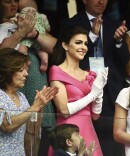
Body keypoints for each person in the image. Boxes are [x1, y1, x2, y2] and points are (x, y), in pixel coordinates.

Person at [61, 1, 130, 155]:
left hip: (110, 93)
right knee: (84, 143)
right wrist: (91, 36)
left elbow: (125, 60)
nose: (101, 1)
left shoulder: (115, 24)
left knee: (111, 145)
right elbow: (64, 56)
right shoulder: (71, 23)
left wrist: (119, 41)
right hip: (81, 92)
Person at [0, 0, 58, 155]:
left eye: (16, 1)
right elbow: (6, 125)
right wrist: (20, 32)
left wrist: (35, 34)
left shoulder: (21, 97)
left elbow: (57, 47)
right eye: (7, 1)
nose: (13, 4)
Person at [48, 25, 108, 156]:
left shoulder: (89, 74)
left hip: (88, 129)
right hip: (67, 133)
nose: (84, 47)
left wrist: (100, 94)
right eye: (78, 42)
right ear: (65, 45)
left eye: (86, 43)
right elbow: (64, 111)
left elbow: (95, 115)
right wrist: (93, 95)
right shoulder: (57, 71)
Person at [0, 48, 58, 155]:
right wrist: (34, 107)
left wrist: (40, 106)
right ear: (8, 71)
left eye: (26, 70)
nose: (26, 74)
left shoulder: (21, 97)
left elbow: (32, 132)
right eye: (21, 70)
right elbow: (6, 125)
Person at [10, 0, 51, 73]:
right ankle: (45, 59)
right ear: (34, 7)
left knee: (22, 50)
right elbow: (48, 28)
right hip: (39, 35)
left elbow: (13, 20)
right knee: (41, 50)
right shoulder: (42, 16)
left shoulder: (20, 15)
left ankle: (26, 62)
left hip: (27, 36)